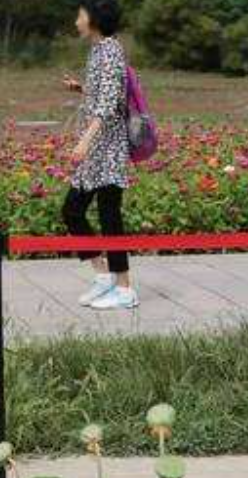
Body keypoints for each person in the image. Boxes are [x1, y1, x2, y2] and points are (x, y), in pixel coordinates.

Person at [61, 0, 138, 310]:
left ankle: (125, 289)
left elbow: (108, 107)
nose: (77, 20)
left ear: (93, 19)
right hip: (98, 149)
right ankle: (104, 275)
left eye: (80, 14)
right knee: (73, 210)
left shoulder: (109, 51)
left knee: (108, 215)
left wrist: (84, 142)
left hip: (106, 148)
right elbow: (107, 94)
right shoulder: (100, 49)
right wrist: (82, 89)